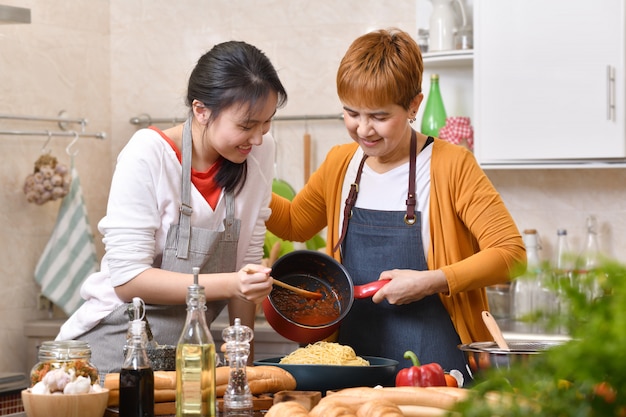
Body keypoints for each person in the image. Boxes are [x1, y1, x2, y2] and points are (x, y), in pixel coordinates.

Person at [266, 28, 526, 382]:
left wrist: (431, 281)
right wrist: (243, 178)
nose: (363, 129)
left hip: (435, 368)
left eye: (379, 116)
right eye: (351, 113)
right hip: (353, 365)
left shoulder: (452, 165)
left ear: (414, 106)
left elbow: (511, 254)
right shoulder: (340, 163)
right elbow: (294, 223)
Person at [57, 40, 287, 376]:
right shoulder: (147, 154)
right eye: (246, 125)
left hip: (187, 357)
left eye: (266, 123)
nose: (256, 138)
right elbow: (128, 279)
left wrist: (244, 369)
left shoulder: (259, 153)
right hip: (116, 345)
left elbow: (247, 268)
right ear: (201, 110)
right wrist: (232, 283)